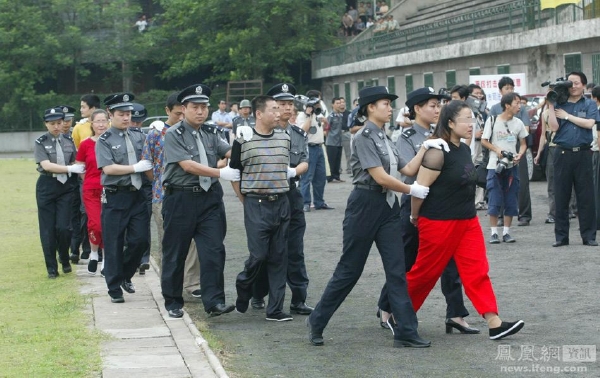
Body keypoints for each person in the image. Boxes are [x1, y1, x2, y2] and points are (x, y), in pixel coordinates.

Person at [307, 86, 445, 348]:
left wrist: (425, 148)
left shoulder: (384, 136)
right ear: (370, 107)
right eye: (385, 103)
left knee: (397, 270)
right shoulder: (364, 137)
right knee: (350, 270)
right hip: (365, 204)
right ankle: (317, 319)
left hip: (388, 206)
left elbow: (405, 168)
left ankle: (405, 330)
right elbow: (380, 177)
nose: (390, 108)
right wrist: (411, 189)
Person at [406, 100, 525, 341]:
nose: (472, 125)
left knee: (477, 270)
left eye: (473, 119)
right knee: (425, 273)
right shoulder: (437, 151)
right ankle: (398, 311)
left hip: (467, 221)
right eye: (466, 119)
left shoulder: (462, 148)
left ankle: (494, 322)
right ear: (450, 123)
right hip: (438, 222)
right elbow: (419, 189)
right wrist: (414, 216)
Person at [379, 87, 473, 334]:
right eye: (431, 105)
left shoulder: (444, 133)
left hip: (445, 210)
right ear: (417, 109)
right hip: (415, 206)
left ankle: (456, 313)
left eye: (439, 105)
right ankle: (387, 308)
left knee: (451, 263)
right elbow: (410, 172)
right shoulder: (407, 137)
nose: (437, 109)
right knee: (408, 260)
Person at [160, 84, 239, 318]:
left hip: (210, 199)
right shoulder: (174, 134)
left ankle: (214, 301)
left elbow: (228, 153)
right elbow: (187, 165)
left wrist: (244, 147)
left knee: (213, 250)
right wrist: (220, 173)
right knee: (176, 252)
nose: (201, 112)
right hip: (181, 198)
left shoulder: (212, 132)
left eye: (204, 107)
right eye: (195, 107)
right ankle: (173, 301)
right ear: (183, 109)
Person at [230, 95, 295, 321]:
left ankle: (275, 309)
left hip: (281, 202)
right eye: (274, 109)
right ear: (259, 114)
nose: (279, 113)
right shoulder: (243, 140)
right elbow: (234, 173)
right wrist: (245, 199)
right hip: (255, 203)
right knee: (258, 256)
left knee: (279, 258)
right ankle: (244, 286)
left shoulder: (285, 137)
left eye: (279, 109)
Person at [250, 83, 313, 315]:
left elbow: (305, 160)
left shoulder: (297, 134)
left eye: (290, 104)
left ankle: (298, 298)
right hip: (268, 196)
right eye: (282, 104)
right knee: (265, 251)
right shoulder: (261, 132)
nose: (287, 108)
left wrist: (294, 171)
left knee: (295, 248)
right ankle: (258, 292)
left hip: (292, 194)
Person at [142, 93, 202, 297]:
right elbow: (148, 165)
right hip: (162, 195)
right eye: (177, 113)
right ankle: (168, 285)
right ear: (168, 111)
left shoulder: (191, 132)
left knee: (193, 240)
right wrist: (159, 183)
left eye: (184, 112)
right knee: (168, 242)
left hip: (188, 194)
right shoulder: (155, 134)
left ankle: (192, 283)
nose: (181, 117)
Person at [95, 93, 153, 303]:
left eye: (128, 113)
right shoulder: (104, 140)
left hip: (138, 195)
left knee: (140, 241)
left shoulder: (140, 136)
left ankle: (125, 275)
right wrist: (134, 168)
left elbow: (152, 157)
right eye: (121, 114)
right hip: (115, 197)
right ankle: (114, 288)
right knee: (113, 243)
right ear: (110, 114)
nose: (126, 118)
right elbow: (108, 168)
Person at [547, 71, 599, 247]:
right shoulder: (560, 103)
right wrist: (550, 105)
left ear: (583, 85)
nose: (573, 86)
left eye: (576, 83)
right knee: (561, 196)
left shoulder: (590, 103)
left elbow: (590, 123)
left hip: (584, 153)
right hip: (562, 154)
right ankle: (561, 237)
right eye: (570, 83)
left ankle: (589, 236)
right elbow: (554, 127)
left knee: (586, 196)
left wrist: (567, 116)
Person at [34, 107, 85, 278]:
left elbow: (77, 162)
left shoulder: (69, 141)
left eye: (59, 123)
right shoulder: (40, 142)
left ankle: (64, 257)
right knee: (48, 230)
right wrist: (69, 168)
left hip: (66, 187)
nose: (56, 126)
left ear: (63, 123)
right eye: (52, 123)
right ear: (46, 124)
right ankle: (51, 269)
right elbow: (46, 165)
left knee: (64, 228)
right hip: (47, 185)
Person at [482, 92, 528, 244]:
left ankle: (507, 232)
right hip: (494, 165)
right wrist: (498, 151)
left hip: (512, 166)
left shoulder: (518, 123)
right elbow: (484, 141)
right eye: (516, 103)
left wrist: (519, 155)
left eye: (520, 104)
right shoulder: (493, 120)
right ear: (507, 105)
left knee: (511, 198)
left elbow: (523, 144)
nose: (519, 107)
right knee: (494, 197)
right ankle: (494, 233)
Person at [489, 77, 532, 227]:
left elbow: (525, 129)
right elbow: (490, 134)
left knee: (522, 184)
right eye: (506, 88)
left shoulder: (521, 109)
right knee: (500, 184)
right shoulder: (494, 109)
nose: (509, 90)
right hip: (500, 154)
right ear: (500, 91)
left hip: (518, 152)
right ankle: (501, 215)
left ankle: (525, 214)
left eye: (511, 87)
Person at [75, 109, 109, 275]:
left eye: (104, 121)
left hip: (110, 189)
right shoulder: (86, 144)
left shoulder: (112, 141)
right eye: (98, 121)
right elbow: (80, 166)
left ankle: (106, 259)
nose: (101, 124)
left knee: (109, 224)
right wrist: (88, 179)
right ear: (92, 124)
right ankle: (94, 253)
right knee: (95, 223)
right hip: (91, 189)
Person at [297, 90, 334, 212]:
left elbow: (326, 123)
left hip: (319, 147)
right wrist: (309, 115)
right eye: (316, 103)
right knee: (307, 177)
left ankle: (319, 202)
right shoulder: (302, 115)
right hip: (309, 148)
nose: (318, 105)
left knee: (320, 177)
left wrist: (319, 116)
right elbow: (303, 131)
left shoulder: (318, 113)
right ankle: (305, 203)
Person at [326, 97, 345, 183]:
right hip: (331, 142)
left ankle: (337, 176)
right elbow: (327, 128)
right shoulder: (330, 116)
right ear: (332, 105)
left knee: (338, 160)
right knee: (331, 160)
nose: (339, 105)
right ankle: (330, 177)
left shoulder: (341, 115)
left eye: (340, 103)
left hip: (339, 141)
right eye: (337, 103)